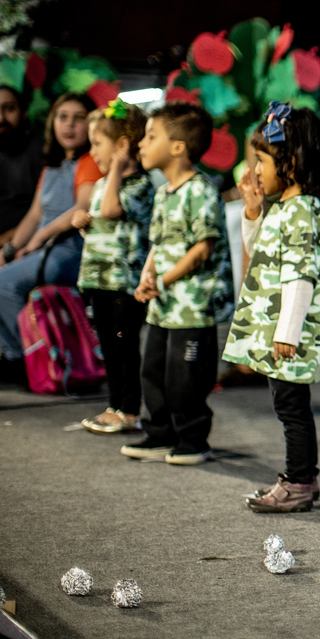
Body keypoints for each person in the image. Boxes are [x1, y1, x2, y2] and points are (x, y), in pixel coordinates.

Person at [224, 103, 320, 513]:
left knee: (292, 408)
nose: (254, 170)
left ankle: (298, 481)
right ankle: (305, 476)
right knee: (289, 405)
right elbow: (260, 253)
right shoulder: (286, 208)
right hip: (277, 332)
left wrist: (287, 331)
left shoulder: (302, 210)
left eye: (262, 160)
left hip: (288, 335)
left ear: (290, 162)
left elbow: (299, 275)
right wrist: (253, 210)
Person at [121, 102, 234, 465]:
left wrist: (163, 280)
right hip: (163, 305)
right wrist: (147, 277)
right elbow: (158, 244)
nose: (141, 144)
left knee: (185, 377)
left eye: (151, 136)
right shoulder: (163, 193)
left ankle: (192, 438)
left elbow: (202, 248)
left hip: (193, 307)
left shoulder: (200, 190)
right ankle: (159, 434)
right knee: (152, 370)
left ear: (178, 147)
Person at [0, 92, 100, 384]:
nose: (69, 125)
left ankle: (35, 359)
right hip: (41, 249)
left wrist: (37, 239)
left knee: (2, 283)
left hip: (68, 251)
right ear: (53, 123)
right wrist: (11, 247)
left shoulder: (90, 161)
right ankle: (13, 353)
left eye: (78, 118)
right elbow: (35, 215)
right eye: (63, 117)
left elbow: (82, 207)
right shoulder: (51, 166)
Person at [73, 100, 155, 433]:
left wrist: (118, 171)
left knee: (124, 346)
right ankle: (114, 406)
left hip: (124, 283)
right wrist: (83, 222)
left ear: (122, 145)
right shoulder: (105, 184)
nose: (92, 152)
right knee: (108, 345)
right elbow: (101, 223)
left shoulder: (140, 186)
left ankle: (130, 410)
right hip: (99, 279)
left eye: (97, 144)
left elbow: (111, 211)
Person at [0, 84, 43, 258]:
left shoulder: (42, 152)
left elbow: (45, 214)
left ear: (24, 112)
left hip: (20, 249)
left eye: (9, 109)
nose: (0, 118)